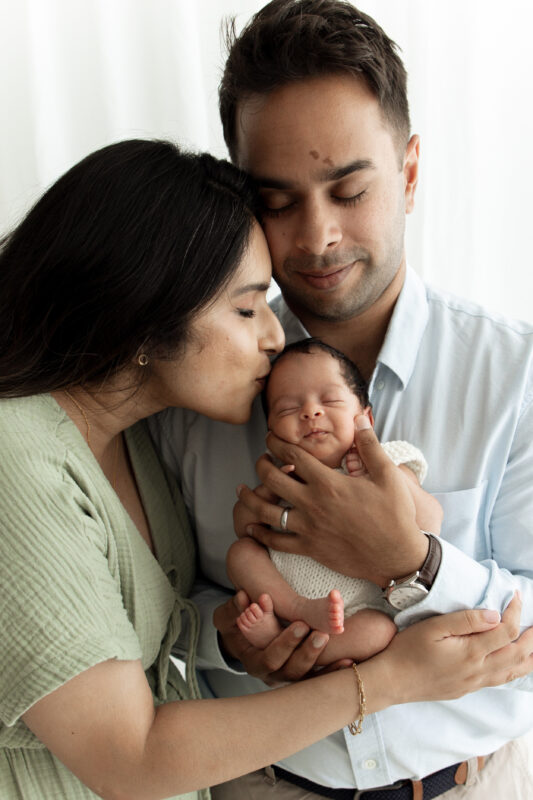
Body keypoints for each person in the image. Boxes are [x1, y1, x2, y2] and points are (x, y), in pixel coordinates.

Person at [3, 138, 526, 800]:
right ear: (141, 317)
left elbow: (146, 621)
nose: (278, 335)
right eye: (248, 308)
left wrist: (227, 631)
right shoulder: (20, 461)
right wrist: (388, 681)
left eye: (348, 190)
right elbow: (127, 757)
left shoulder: (127, 440)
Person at [149, 1, 533, 798]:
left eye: (349, 190)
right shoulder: (196, 385)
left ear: (411, 173)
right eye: (278, 202)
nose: (317, 237)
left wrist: (414, 561)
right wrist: (229, 637)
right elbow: (170, 597)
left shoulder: (514, 375)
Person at [227, 337, 440, 663]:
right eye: (287, 408)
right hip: (287, 595)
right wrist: (253, 505)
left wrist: (382, 474)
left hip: (355, 611)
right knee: (240, 554)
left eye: (330, 400)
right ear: (271, 431)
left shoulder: (389, 461)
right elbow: (247, 530)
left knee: (379, 631)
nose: (311, 412)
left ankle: (306, 655)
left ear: (365, 418)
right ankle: (289, 623)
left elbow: (430, 521)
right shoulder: (283, 477)